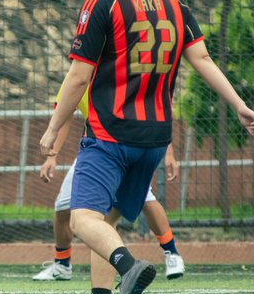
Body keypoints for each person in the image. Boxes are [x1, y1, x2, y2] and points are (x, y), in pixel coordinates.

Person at [40, 0, 254, 294]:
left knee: (80, 219)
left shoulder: (102, 1)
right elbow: (200, 58)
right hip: (157, 137)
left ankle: (129, 266)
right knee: (105, 222)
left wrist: (53, 129)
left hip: (110, 133)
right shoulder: (174, 2)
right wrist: (239, 104)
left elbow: (79, 75)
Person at [36, 76, 185, 282]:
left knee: (144, 199)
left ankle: (171, 253)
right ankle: (63, 265)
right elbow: (64, 115)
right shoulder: (76, 78)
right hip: (97, 151)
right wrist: (52, 157)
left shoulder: (121, 74)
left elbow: (155, 110)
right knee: (64, 207)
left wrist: (169, 152)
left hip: (126, 146)